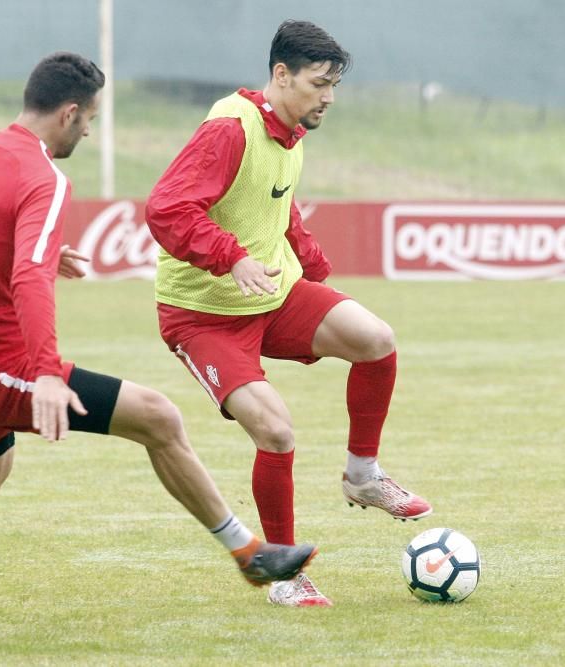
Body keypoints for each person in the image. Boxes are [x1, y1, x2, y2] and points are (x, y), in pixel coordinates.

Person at [0, 52, 317, 632]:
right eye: (91, 118)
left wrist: (35, 250)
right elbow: (26, 280)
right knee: (159, 418)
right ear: (70, 113)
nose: (91, 130)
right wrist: (45, 371)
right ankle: (250, 555)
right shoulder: (45, 177)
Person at [145, 21, 432, 608]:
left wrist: (312, 265)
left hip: (273, 294)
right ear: (281, 76)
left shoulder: (290, 133)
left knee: (375, 337)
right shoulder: (230, 128)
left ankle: (362, 475)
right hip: (202, 316)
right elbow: (167, 208)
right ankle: (282, 573)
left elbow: (274, 207)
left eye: (335, 85)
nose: (328, 96)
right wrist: (231, 258)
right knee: (275, 430)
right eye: (318, 83)